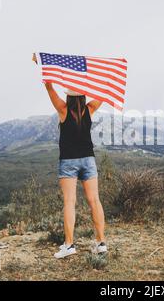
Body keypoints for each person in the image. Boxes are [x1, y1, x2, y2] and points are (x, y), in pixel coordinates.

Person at [34, 53, 107, 258]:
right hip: (88, 159)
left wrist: (41, 63)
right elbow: (103, 91)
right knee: (95, 200)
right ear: (83, 96)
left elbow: (49, 86)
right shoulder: (90, 109)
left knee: (69, 202)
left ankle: (69, 245)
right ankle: (101, 242)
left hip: (68, 162)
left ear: (68, 96)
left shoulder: (63, 110)